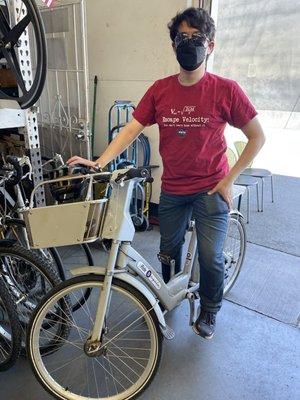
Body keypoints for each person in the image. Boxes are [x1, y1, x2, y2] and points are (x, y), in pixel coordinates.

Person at [67, 7, 265, 339]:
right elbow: (131, 128)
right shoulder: (161, 90)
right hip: (173, 187)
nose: (189, 44)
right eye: (181, 38)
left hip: (211, 188)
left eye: (196, 38)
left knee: (210, 257)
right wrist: (99, 162)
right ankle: (167, 298)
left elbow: (257, 136)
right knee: (167, 252)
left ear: (211, 45)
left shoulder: (225, 90)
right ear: (173, 45)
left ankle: (210, 309)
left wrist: (229, 179)